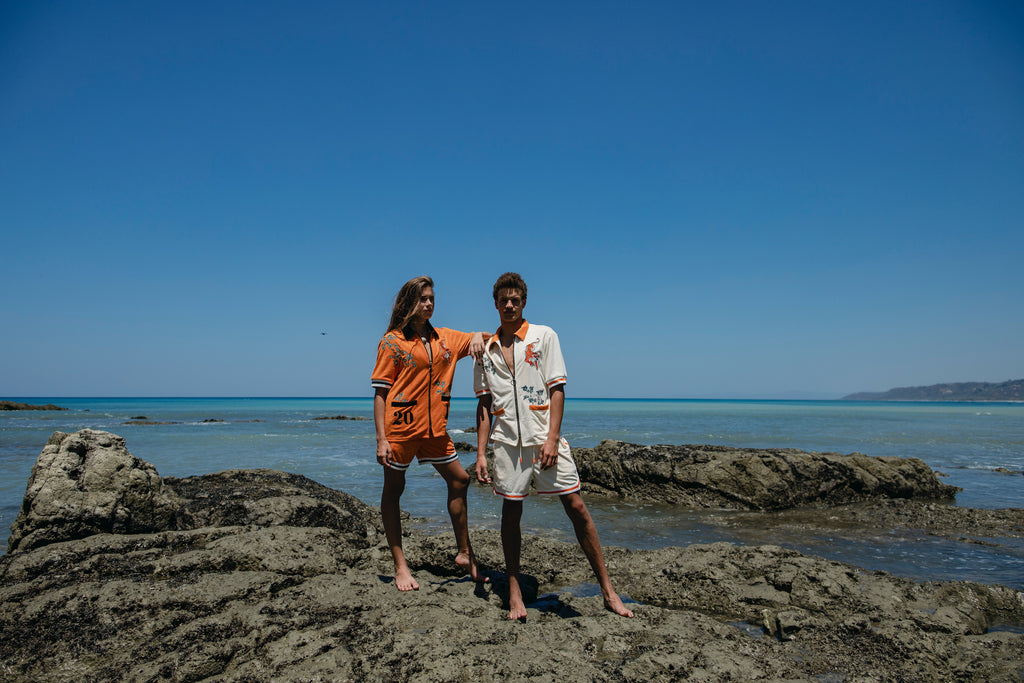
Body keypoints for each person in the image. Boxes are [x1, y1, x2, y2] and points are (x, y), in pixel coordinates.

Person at [474, 272, 634, 620]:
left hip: (545, 440)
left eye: (516, 299)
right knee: (511, 513)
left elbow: (557, 389)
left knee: (576, 506)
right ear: (496, 304)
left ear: (524, 302)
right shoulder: (484, 350)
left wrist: (551, 438)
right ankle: (514, 591)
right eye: (504, 300)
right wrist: (480, 452)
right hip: (506, 445)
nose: (510, 305)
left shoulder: (544, 336)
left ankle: (608, 589)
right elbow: (484, 404)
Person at [371, 276, 488, 591]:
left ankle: (464, 554)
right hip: (402, 431)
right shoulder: (392, 342)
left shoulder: (446, 338)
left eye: (432, 298)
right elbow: (380, 394)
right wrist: (382, 439)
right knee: (394, 490)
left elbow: (488, 338)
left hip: (435, 430)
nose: (429, 304)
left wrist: (477, 335)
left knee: (460, 479)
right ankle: (400, 567)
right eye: (423, 298)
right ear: (410, 302)